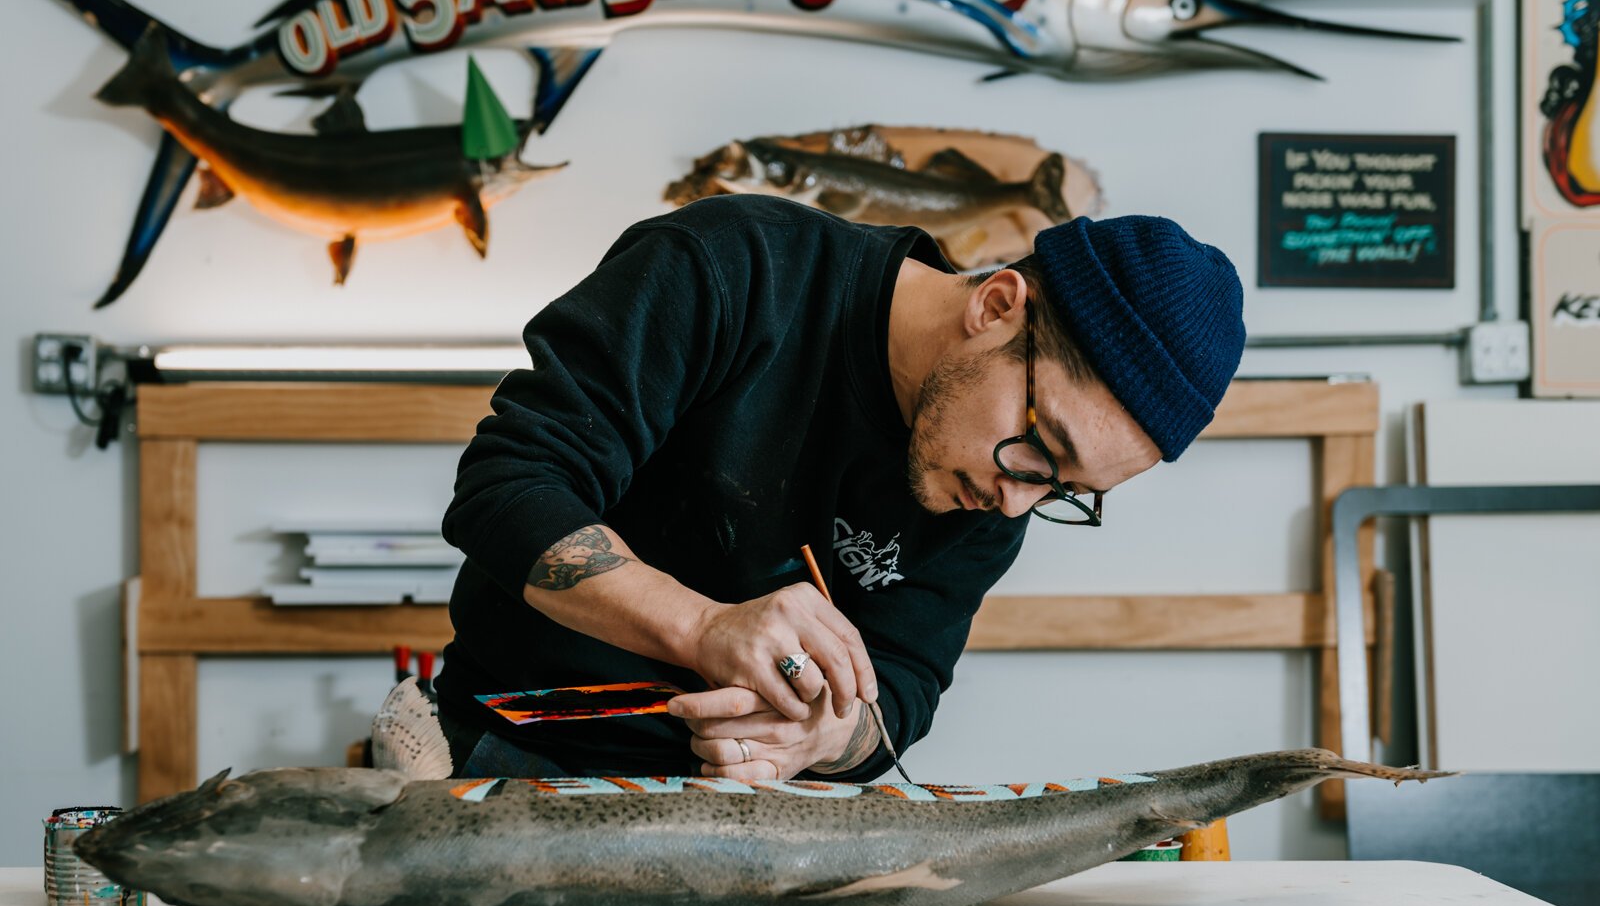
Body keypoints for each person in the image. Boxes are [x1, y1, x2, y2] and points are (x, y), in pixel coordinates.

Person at [426, 194, 1244, 783]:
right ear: (997, 306)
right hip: (502, 758)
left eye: (1067, 490)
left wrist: (826, 735)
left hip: (752, 815)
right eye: (1041, 450)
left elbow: (906, 682)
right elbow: (511, 485)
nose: (1017, 503)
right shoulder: (734, 267)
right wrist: (702, 627)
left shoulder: (1000, 479)